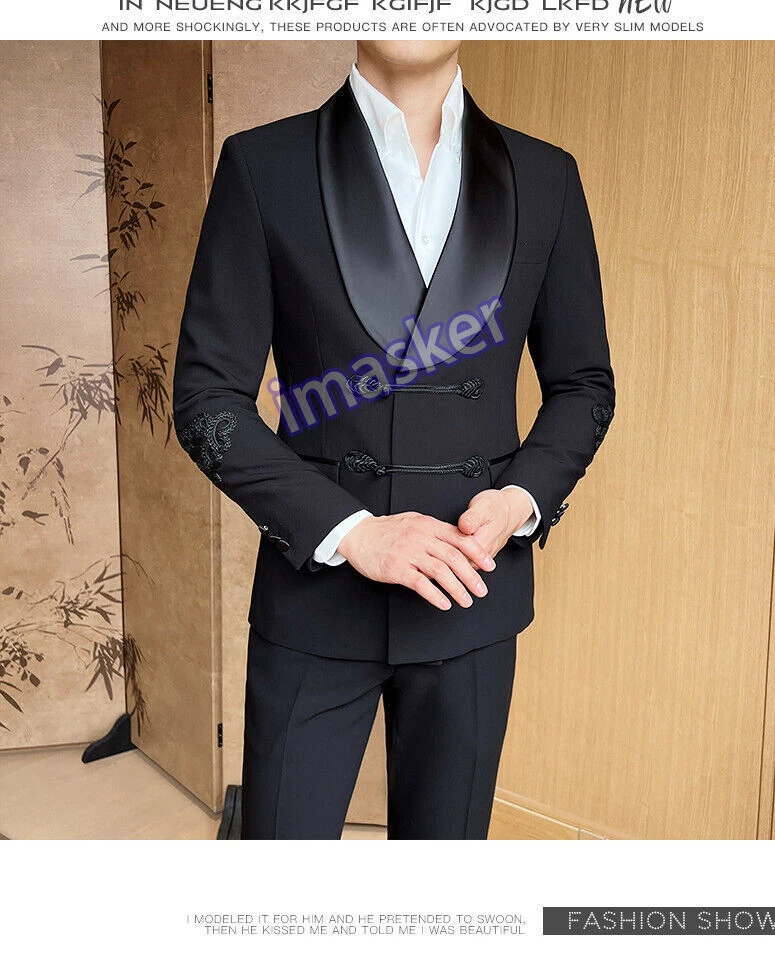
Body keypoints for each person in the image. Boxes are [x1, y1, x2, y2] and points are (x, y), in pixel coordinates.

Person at [172, 40, 615, 839]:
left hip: (472, 592)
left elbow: (584, 384)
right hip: (315, 599)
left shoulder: (546, 176)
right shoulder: (262, 165)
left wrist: (521, 498)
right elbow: (208, 403)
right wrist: (352, 532)